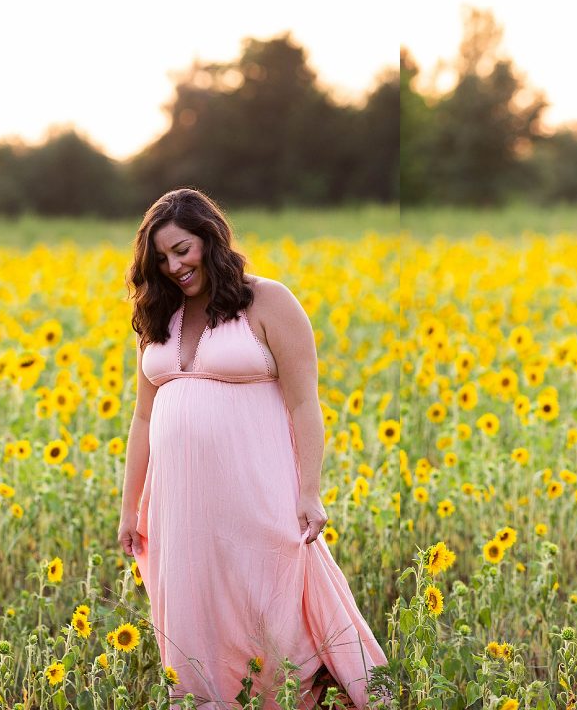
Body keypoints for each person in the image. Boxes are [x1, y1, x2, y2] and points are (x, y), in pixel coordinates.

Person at [117, 188, 387, 708]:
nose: (174, 266)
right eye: (162, 258)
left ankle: (300, 695)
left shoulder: (267, 300)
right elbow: (143, 415)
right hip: (178, 507)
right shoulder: (158, 316)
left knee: (273, 606)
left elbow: (305, 405)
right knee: (195, 612)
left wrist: (310, 493)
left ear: (211, 240)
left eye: (183, 250)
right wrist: (130, 507)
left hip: (256, 490)